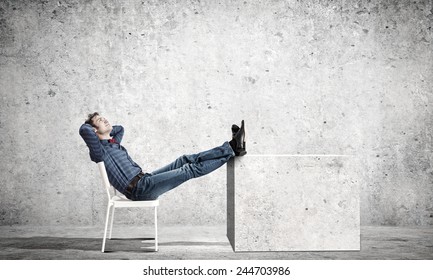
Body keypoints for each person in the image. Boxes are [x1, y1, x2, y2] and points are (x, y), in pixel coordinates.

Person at [79, 112, 246, 201]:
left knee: (183, 160)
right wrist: (92, 127)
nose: (106, 120)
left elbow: (120, 128)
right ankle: (232, 148)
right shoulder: (99, 152)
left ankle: (232, 147)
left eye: (104, 117)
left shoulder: (114, 143)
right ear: (93, 130)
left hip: (145, 179)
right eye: (100, 120)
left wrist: (102, 127)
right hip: (140, 190)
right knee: (188, 170)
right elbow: (83, 130)